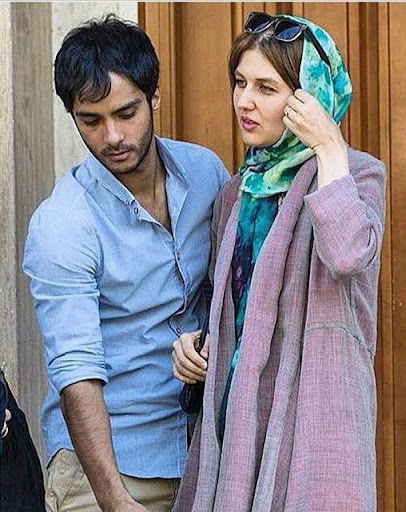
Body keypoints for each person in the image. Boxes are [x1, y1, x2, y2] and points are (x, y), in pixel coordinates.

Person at [172, 12, 386, 512]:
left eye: (266, 88)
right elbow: (233, 310)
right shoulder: (235, 195)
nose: (244, 101)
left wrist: (328, 146)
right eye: (240, 82)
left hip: (315, 423)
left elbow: (348, 253)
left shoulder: (357, 176)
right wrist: (195, 345)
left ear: (310, 99)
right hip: (239, 428)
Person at [23, 14, 229, 512]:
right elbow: (76, 371)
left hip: (206, 458)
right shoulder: (63, 223)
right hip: (108, 471)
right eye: (91, 121)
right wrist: (114, 499)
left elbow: (234, 289)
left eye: (126, 112)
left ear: (154, 97)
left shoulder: (206, 173)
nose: (112, 136)